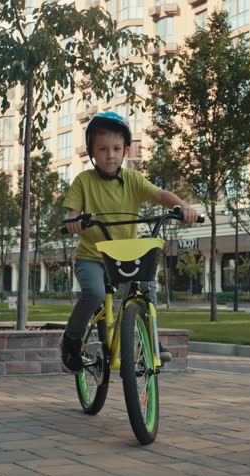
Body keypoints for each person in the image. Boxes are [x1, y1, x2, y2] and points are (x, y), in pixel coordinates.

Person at [60, 111, 198, 374]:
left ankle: (149, 338)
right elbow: (72, 214)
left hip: (124, 257)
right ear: (91, 151)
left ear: (125, 150)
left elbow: (160, 195)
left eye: (116, 148)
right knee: (96, 294)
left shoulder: (133, 179)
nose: (110, 155)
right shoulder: (83, 181)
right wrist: (74, 222)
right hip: (91, 257)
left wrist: (183, 206)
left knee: (144, 287)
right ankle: (71, 339)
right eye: (102, 149)